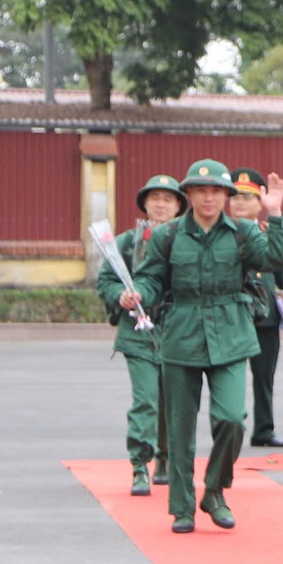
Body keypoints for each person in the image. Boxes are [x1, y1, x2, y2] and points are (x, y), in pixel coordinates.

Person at [123, 161, 283, 533]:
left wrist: (276, 214)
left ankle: (215, 489)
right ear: (189, 195)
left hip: (231, 331)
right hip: (182, 334)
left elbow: (280, 259)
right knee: (181, 426)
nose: (208, 197)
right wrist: (138, 294)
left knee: (232, 418)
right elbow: (152, 280)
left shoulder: (243, 233)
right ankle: (182, 508)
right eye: (200, 191)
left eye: (216, 190)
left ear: (227, 195)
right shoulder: (168, 236)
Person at [97, 174, 186, 495]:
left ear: (178, 206)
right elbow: (106, 281)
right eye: (155, 198)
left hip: (178, 333)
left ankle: (166, 457)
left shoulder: (186, 240)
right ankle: (140, 465)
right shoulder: (125, 243)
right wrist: (120, 294)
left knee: (172, 403)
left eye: (168, 199)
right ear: (145, 203)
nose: (161, 204)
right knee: (146, 401)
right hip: (137, 334)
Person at [229, 168, 283, 447]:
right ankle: (232, 425)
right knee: (231, 374)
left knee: (264, 376)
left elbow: (281, 274)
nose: (240, 203)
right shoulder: (225, 234)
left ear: (259, 203)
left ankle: (264, 430)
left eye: (247, 197)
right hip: (234, 315)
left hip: (265, 315)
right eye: (236, 197)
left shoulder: (269, 232)